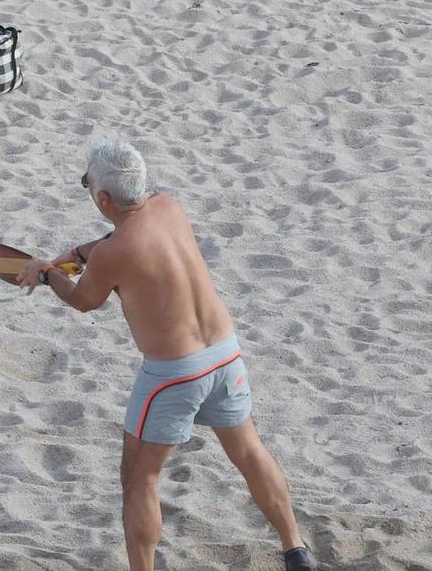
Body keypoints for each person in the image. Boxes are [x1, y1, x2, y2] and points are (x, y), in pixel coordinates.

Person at [20, 140, 316, 571]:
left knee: (140, 478)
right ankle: (295, 548)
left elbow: (83, 300)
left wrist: (46, 272)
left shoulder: (114, 253)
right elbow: (124, 237)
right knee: (250, 452)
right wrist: (81, 253)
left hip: (175, 375)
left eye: (87, 184)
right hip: (225, 354)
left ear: (104, 198)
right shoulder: (168, 206)